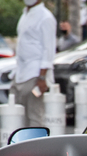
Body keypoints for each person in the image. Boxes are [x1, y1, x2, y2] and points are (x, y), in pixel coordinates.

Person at [11, 0, 56, 128]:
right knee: (17, 113)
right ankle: (21, 144)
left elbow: (49, 50)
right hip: (20, 72)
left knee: (35, 114)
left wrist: (42, 78)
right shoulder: (25, 14)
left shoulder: (46, 17)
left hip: (34, 74)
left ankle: (36, 146)